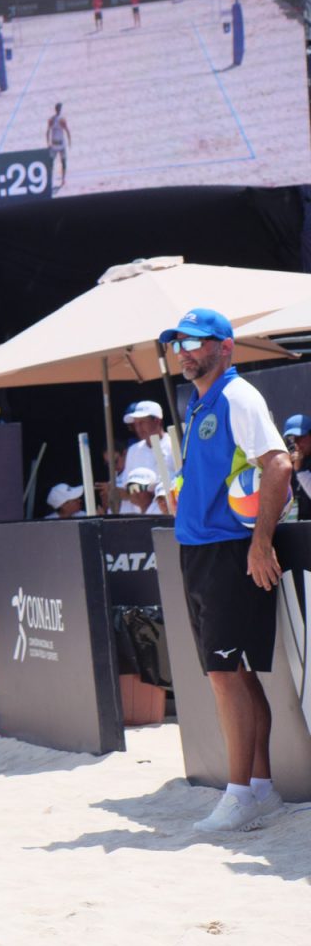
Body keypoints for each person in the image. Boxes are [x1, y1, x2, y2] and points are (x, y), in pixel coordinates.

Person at [162, 307, 291, 833]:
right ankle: (259, 789)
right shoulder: (199, 402)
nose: (185, 351)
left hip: (229, 551)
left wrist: (260, 542)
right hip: (200, 549)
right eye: (179, 343)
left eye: (196, 341)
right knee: (235, 672)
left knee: (224, 675)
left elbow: (278, 463)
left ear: (225, 346)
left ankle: (239, 796)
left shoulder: (238, 396)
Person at [46, 103, 70, 189]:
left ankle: (52, 179)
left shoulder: (51, 120)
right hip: (60, 144)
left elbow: (47, 132)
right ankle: (63, 179)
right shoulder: (61, 120)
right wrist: (69, 141)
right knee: (63, 162)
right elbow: (67, 131)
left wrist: (48, 143)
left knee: (52, 162)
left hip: (54, 144)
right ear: (60, 109)